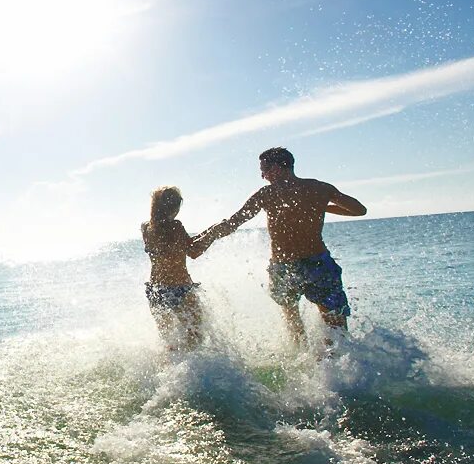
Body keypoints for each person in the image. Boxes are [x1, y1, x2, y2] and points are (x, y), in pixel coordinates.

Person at [194, 147, 366, 348]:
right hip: (317, 262)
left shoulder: (266, 194)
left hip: (284, 267)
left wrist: (205, 238)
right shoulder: (320, 188)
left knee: (293, 322)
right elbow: (358, 210)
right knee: (335, 324)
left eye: (264, 170)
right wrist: (322, 205)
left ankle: (305, 362)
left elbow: (234, 222)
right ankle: (337, 369)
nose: (262, 175)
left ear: (276, 168)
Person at [141, 186, 215, 352]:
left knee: (169, 342)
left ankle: (172, 371)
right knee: (195, 336)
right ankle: (194, 373)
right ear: (174, 207)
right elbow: (193, 251)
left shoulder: (146, 228)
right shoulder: (176, 226)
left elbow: (179, 244)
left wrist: (207, 231)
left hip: (156, 291)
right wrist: (214, 234)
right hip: (179, 289)